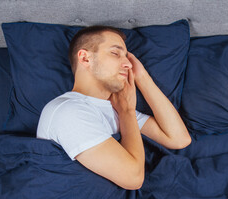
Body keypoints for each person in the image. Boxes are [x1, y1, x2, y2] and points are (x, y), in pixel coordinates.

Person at [37, 26, 191, 190]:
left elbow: (179, 139)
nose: (128, 64)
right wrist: (127, 113)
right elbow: (134, 178)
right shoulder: (68, 111)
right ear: (85, 58)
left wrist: (142, 77)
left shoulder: (116, 107)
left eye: (127, 57)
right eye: (115, 53)